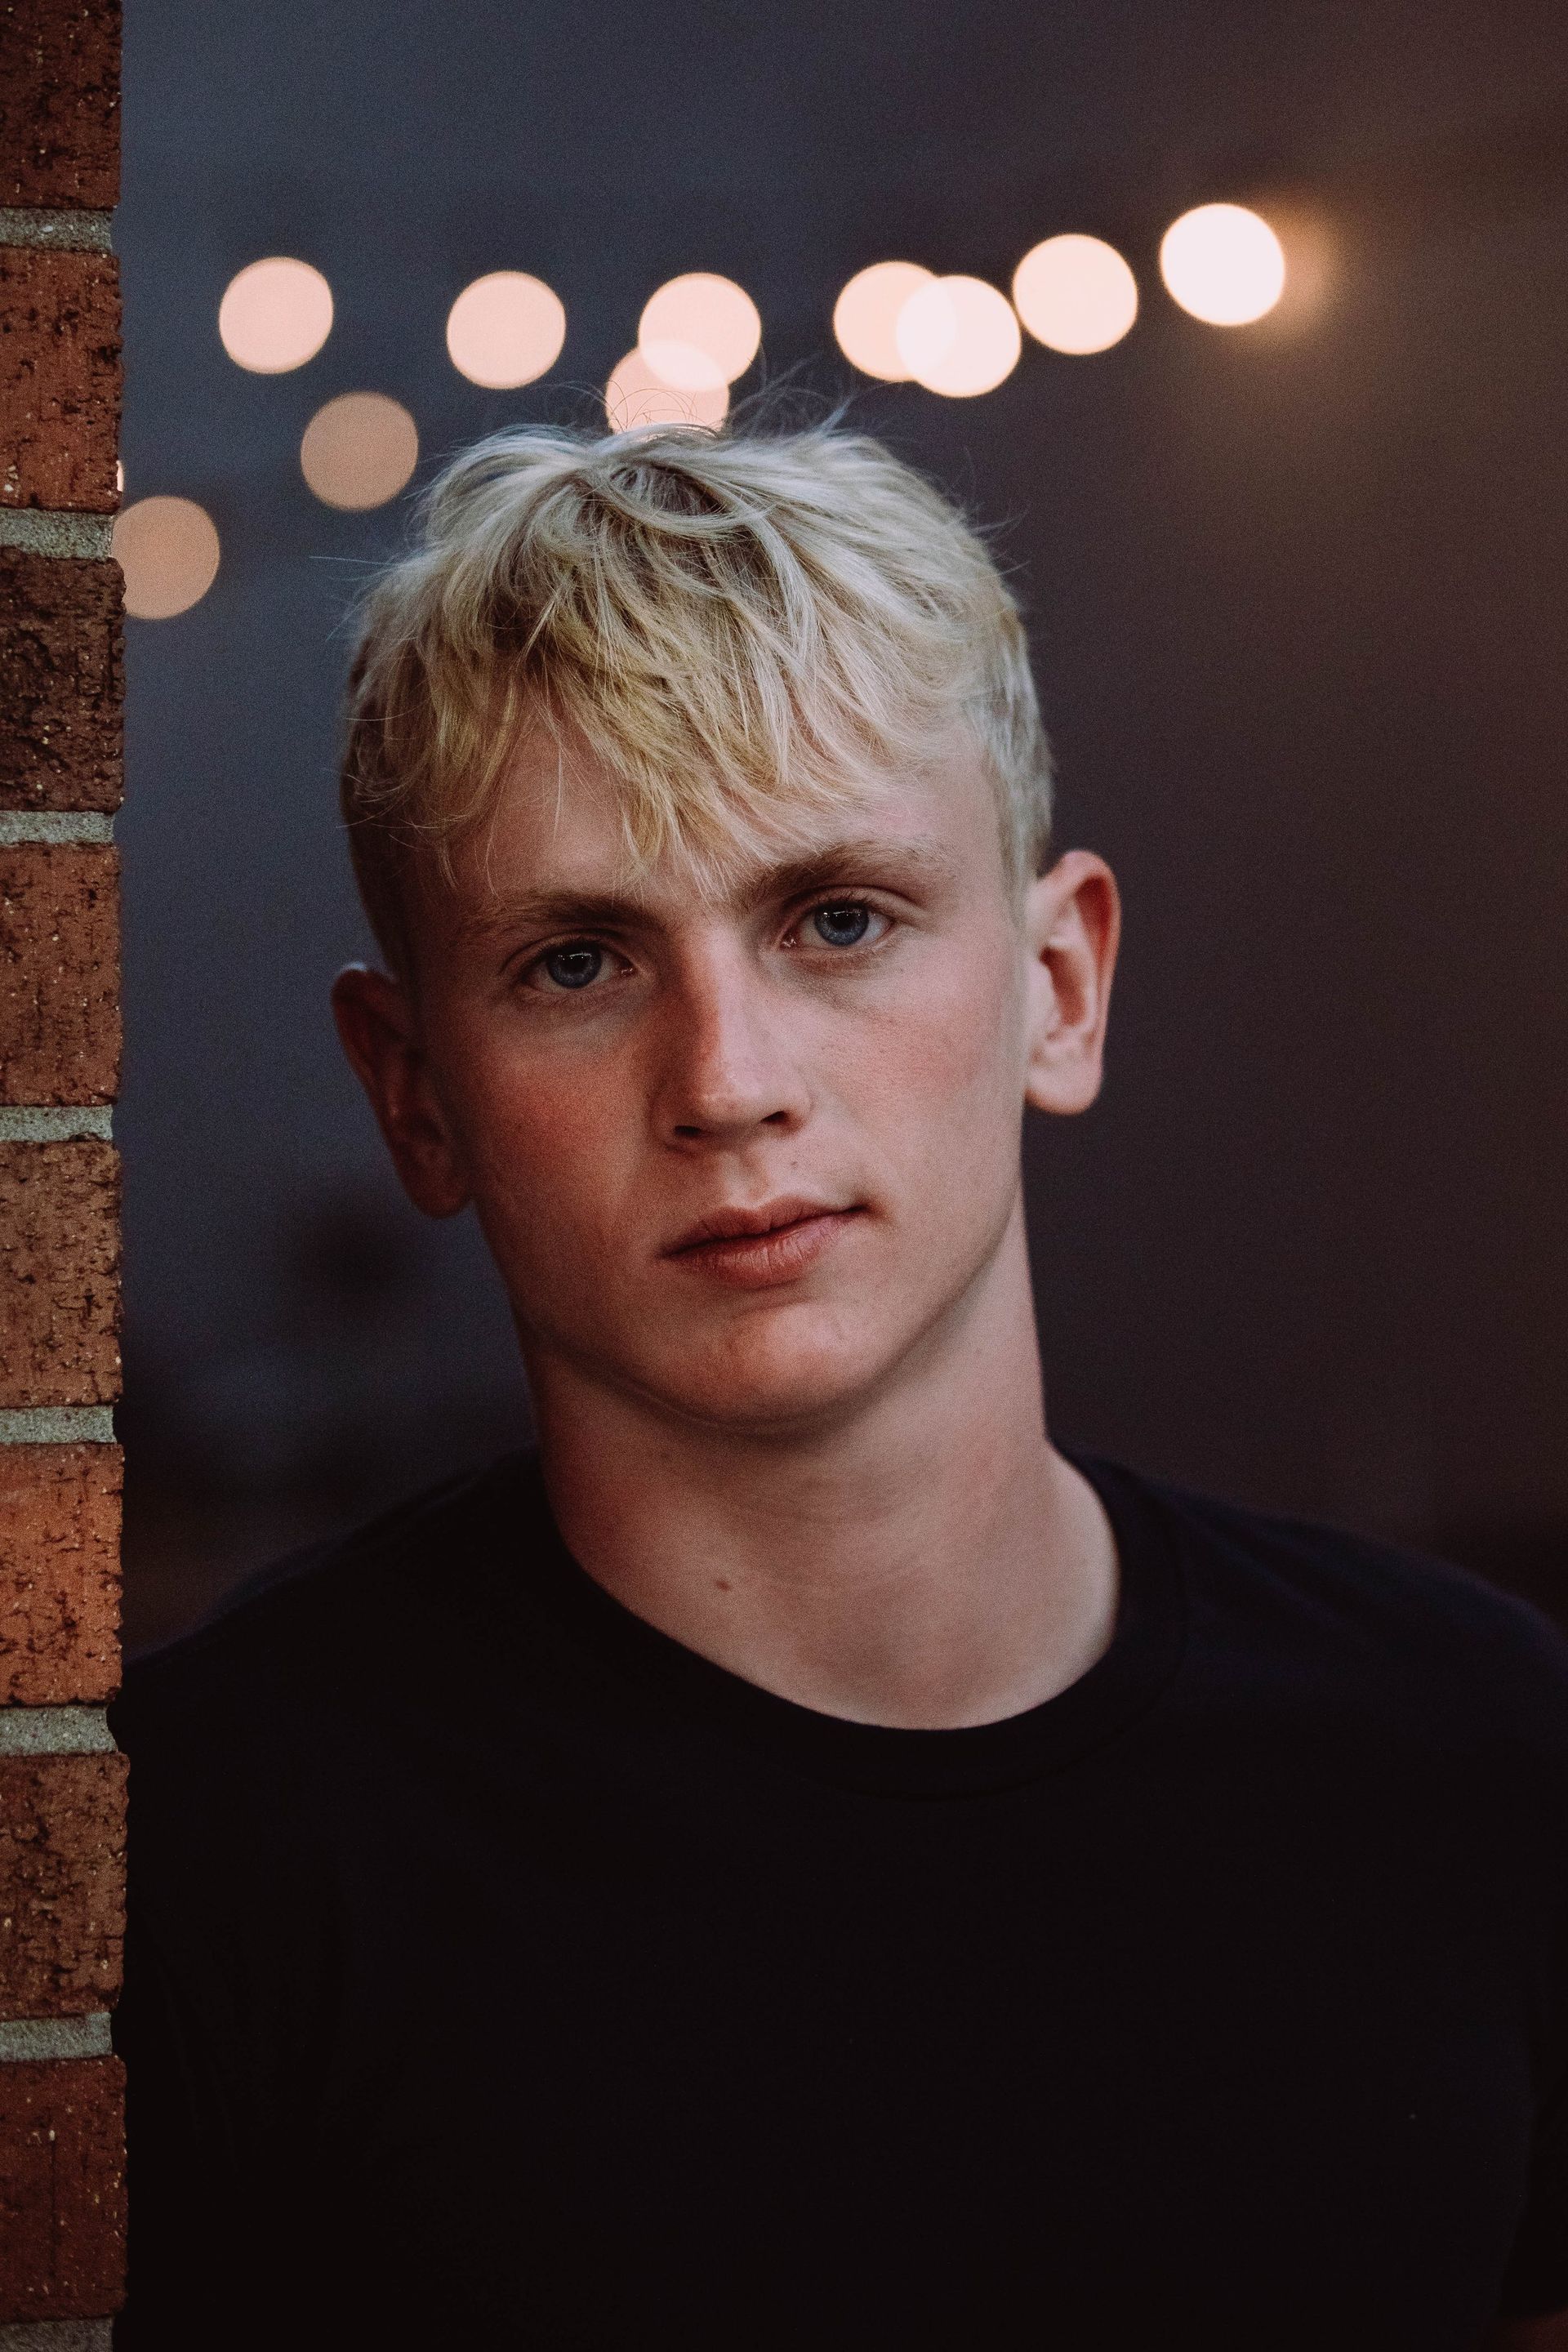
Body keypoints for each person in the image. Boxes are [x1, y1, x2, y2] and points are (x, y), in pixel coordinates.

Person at [114, 421, 1568, 2350]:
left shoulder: (1485, 1752)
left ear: (1061, 986)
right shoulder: (200, 1856)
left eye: (837, 918)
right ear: (415, 1092)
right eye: (575, 962)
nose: (727, 1081)